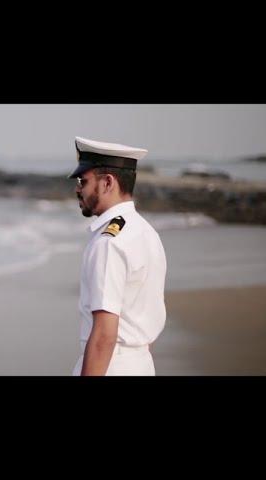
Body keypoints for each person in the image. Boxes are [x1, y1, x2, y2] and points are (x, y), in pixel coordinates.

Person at [69, 137, 167, 376]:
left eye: (83, 181)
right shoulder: (147, 232)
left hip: (111, 366)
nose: (77, 189)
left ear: (107, 183)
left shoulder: (108, 243)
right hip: (141, 363)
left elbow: (104, 334)